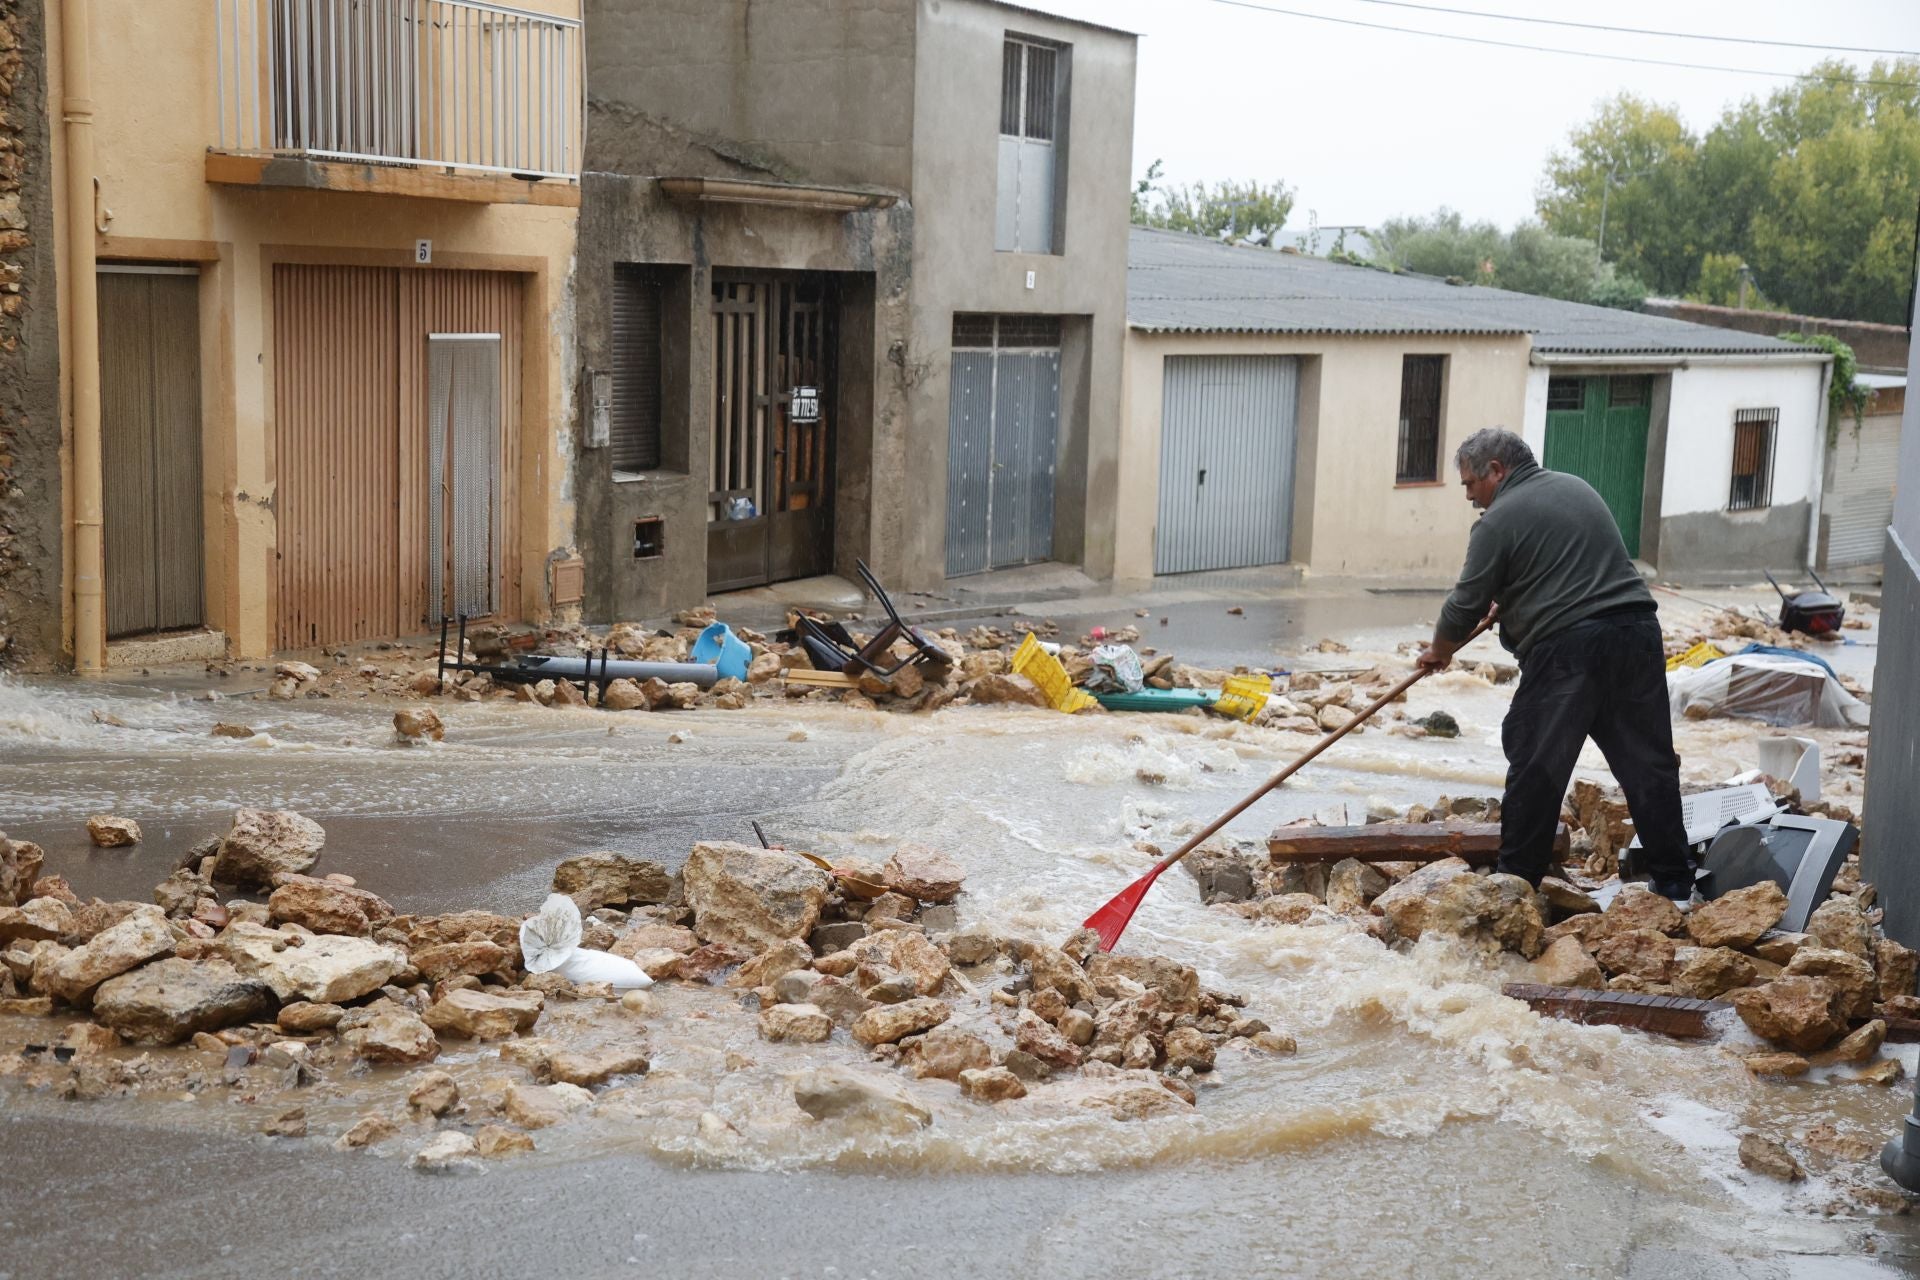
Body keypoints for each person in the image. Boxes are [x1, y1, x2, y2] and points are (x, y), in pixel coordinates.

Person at [1416, 427, 1695, 904]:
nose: (1468, 496)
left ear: (1497, 471)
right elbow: (1568, 567)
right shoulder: (1576, 487)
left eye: (1470, 484)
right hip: (1636, 632)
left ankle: (1515, 886)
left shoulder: (1496, 521)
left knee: (1536, 765)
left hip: (1570, 648)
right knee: (1648, 766)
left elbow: (1465, 602)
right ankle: (1674, 885)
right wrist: (1516, 596)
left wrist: (1440, 648)